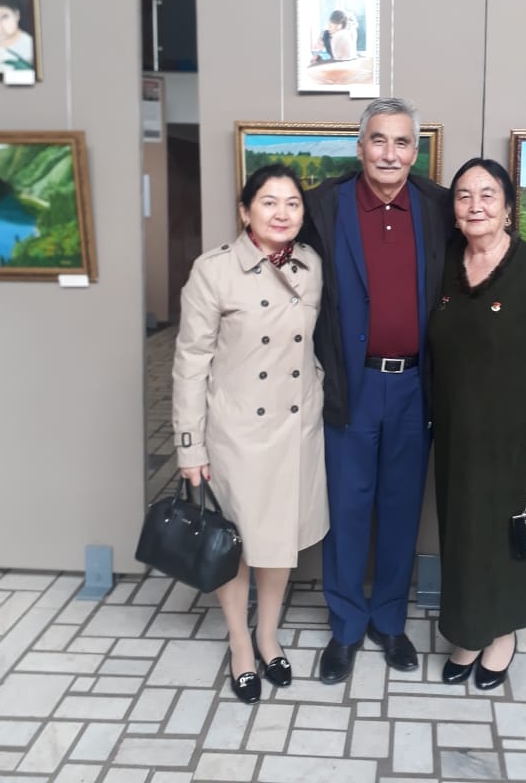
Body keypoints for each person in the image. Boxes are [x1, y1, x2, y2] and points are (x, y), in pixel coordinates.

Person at [304, 97, 451, 683]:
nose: (390, 153)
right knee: (346, 505)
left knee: (400, 506)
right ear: (360, 146)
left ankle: (389, 620)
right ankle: (345, 625)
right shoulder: (324, 206)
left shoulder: (438, 207)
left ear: (415, 151)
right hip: (351, 383)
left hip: (415, 384)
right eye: (379, 140)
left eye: (402, 142)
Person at [172, 164, 329, 705]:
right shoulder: (213, 270)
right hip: (236, 430)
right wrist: (189, 445)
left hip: (295, 424)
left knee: (278, 539)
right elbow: (190, 363)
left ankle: (268, 634)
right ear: (245, 212)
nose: (282, 213)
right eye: (268, 202)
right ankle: (240, 641)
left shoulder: (312, 265)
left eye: (292, 203)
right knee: (235, 541)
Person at [428, 158, 526, 690]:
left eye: (487, 194)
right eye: (464, 195)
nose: (475, 206)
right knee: (465, 537)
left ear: (509, 208)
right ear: (453, 210)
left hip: (520, 440)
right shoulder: (443, 265)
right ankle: (469, 632)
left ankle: (503, 635)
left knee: (510, 538)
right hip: (457, 436)